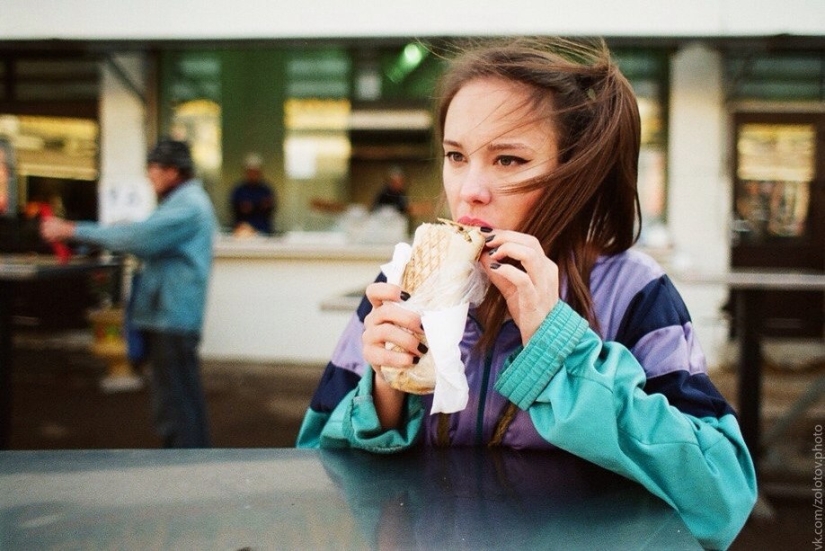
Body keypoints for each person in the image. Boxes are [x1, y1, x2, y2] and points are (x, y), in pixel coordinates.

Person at [296, 38, 756, 550]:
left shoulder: (633, 292)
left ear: (573, 171)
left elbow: (722, 493)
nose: (470, 188)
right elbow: (314, 473)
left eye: (508, 160)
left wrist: (558, 348)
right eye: (456, 155)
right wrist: (385, 394)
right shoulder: (400, 288)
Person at [41, 138, 218, 448]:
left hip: (171, 315)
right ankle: (190, 463)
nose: (149, 176)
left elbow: (140, 238)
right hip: (171, 313)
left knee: (175, 405)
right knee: (181, 400)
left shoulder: (188, 205)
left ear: (173, 172)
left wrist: (73, 230)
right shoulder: (182, 201)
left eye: (153, 169)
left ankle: (184, 471)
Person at [230, 152, 277, 234]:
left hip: (263, 231)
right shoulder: (239, 190)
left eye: (255, 171)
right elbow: (236, 209)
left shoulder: (266, 190)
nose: (253, 174)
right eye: (250, 171)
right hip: (243, 232)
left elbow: (270, 208)